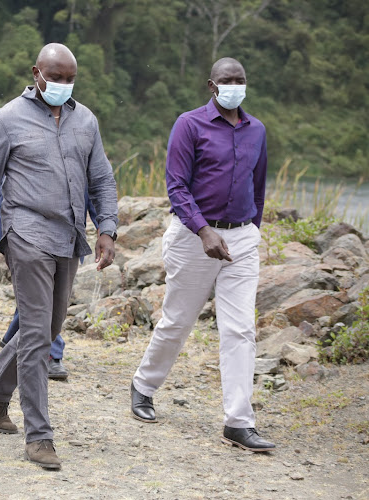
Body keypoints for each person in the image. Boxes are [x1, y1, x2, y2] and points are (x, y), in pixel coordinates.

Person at [0, 43, 118, 470]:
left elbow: (102, 177)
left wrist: (107, 227)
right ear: (36, 72)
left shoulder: (85, 120)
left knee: (48, 328)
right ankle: (40, 436)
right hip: (25, 231)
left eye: (70, 79)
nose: (62, 85)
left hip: (69, 235)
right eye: (56, 77)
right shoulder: (7, 119)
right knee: (36, 334)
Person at [130, 57, 274, 452]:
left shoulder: (256, 130)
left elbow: (257, 186)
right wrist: (204, 229)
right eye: (226, 80)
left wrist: (251, 230)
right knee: (178, 320)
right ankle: (143, 386)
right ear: (212, 86)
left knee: (240, 329)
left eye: (240, 80)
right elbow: (176, 186)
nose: (234, 86)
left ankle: (239, 421)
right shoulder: (189, 124)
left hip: (241, 239)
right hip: (195, 237)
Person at [0, 191, 99, 382]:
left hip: (68, 231)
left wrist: (105, 226)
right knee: (40, 297)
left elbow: (95, 181)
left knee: (45, 301)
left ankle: (13, 338)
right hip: (25, 228)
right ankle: (50, 352)